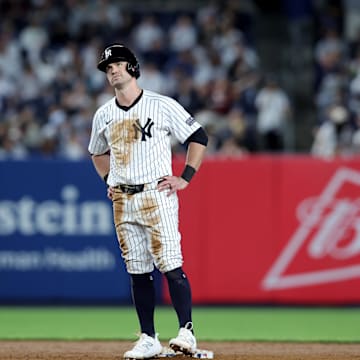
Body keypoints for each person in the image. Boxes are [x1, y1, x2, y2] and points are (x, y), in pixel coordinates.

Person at [88, 44, 208, 359]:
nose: (112, 69)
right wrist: (107, 180)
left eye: (117, 64)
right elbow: (97, 152)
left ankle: (187, 331)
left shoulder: (160, 104)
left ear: (132, 67)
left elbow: (198, 136)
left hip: (157, 193)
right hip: (123, 199)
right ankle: (149, 337)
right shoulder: (104, 113)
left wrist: (186, 177)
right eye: (107, 67)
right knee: (137, 270)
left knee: (170, 264)